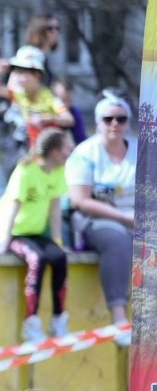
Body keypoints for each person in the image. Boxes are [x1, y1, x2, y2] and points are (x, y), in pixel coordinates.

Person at [0, 128, 73, 344]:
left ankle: (58, 318)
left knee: (59, 258)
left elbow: (54, 209)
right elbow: (13, 207)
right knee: (37, 259)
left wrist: (57, 241)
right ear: (54, 151)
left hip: (34, 233)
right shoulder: (25, 170)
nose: (69, 153)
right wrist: (3, 241)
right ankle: (31, 322)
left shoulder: (58, 172)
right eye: (66, 149)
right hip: (13, 232)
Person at [67, 93, 136, 338]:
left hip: (138, 217)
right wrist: (124, 217)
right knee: (118, 240)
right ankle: (118, 319)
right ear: (98, 122)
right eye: (108, 119)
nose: (115, 124)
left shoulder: (143, 151)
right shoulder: (85, 153)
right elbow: (80, 200)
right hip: (95, 219)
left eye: (121, 118)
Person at [0, 45, 72, 149]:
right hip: (28, 148)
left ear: (37, 75)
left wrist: (46, 118)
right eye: (17, 73)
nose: (20, 79)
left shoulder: (50, 98)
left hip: (49, 150)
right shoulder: (19, 94)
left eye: (24, 74)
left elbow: (69, 119)